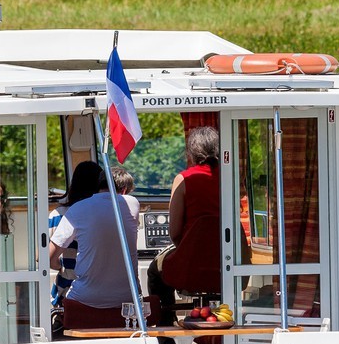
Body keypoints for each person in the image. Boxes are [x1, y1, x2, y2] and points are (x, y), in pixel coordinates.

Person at [147, 125, 221, 324]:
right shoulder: (230, 178)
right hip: (225, 262)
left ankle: (166, 332)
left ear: (191, 151)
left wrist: (189, 250)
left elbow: (175, 232)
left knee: (154, 271)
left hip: (189, 265)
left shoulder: (184, 179)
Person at [50, 169, 140, 324]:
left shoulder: (77, 209)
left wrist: (59, 267)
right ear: (124, 190)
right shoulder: (132, 204)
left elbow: (47, 257)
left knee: (58, 296)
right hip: (128, 298)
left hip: (85, 299)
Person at [49, 160, 102, 306]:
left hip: (68, 291)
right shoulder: (108, 216)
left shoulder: (57, 215)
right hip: (102, 290)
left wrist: (61, 266)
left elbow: (46, 258)